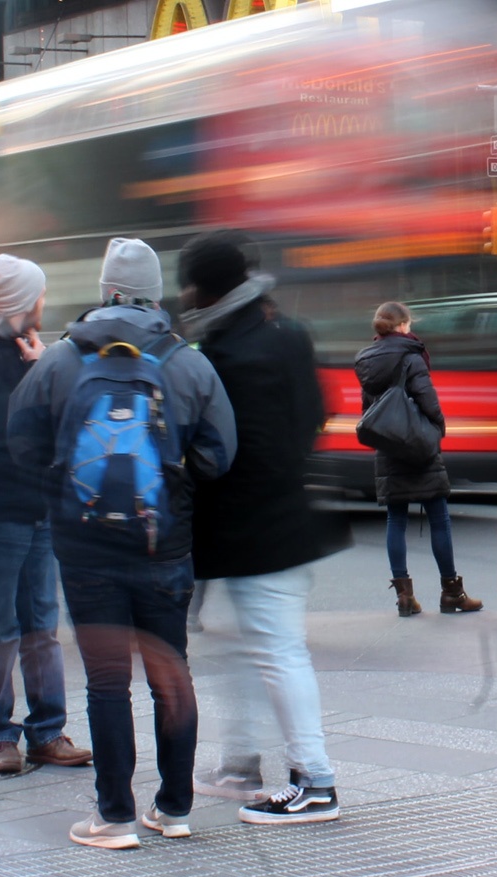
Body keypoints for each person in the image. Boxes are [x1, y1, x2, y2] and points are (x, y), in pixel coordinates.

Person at [8, 237, 235, 849]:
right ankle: (175, 808)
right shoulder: (188, 361)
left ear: (105, 290)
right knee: (171, 673)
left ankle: (113, 818)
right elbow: (220, 456)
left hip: (85, 552)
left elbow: (22, 443)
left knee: (107, 682)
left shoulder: (59, 359)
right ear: (156, 295)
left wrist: (67, 486)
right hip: (166, 545)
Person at [181, 231, 349, 825]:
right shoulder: (286, 333)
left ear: (204, 287)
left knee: (276, 651)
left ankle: (315, 781)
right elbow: (312, 416)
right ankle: (241, 762)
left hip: (253, 527)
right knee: (252, 648)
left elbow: (218, 452)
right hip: (283, 517)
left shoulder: (223, 352)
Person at [0, 254, 93, 774]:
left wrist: (42, 369)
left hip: (39, 508)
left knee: (42, 627)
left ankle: (48, 731)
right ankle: (0, 735)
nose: (44, 305)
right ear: (23, 302)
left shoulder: (28, 351)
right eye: (40, 296)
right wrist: (35, 377)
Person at [353, 301, 482, 617]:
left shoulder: (366, 360)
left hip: (389, 445)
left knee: (395, 519)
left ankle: (404, 598)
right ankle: (452, 592)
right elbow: (428, 400)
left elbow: (367, 407)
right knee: (438, 516)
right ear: (402, 325)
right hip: (419, 444)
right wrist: (437, 429)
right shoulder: (412, 356)